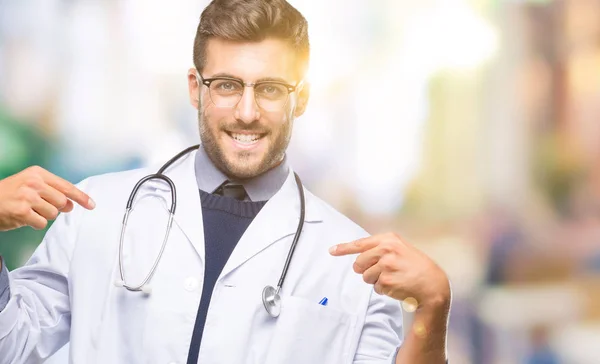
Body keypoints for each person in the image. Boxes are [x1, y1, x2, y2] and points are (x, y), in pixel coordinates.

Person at [0, 1, 451, 363]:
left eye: (271, 88)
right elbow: (13, 346)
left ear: (303, 97)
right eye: (228, 85)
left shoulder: (354, 264)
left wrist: (433, 311)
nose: (247, 112)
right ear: (196, 89)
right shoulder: (97, 209)